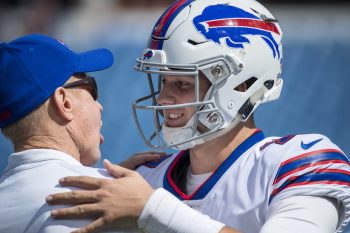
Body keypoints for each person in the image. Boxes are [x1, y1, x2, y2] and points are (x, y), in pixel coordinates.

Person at [46, 0, 350, 233]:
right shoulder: (144, 179)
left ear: (242, 85)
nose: (164, 98)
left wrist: (153, 208)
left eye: (182, 83)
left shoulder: (299, 164)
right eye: (163, 82)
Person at [0, 34, 165, 233]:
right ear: (64, 102)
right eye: (91, 89)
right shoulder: (116, 203)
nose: (100, 106)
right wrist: (152, 205)